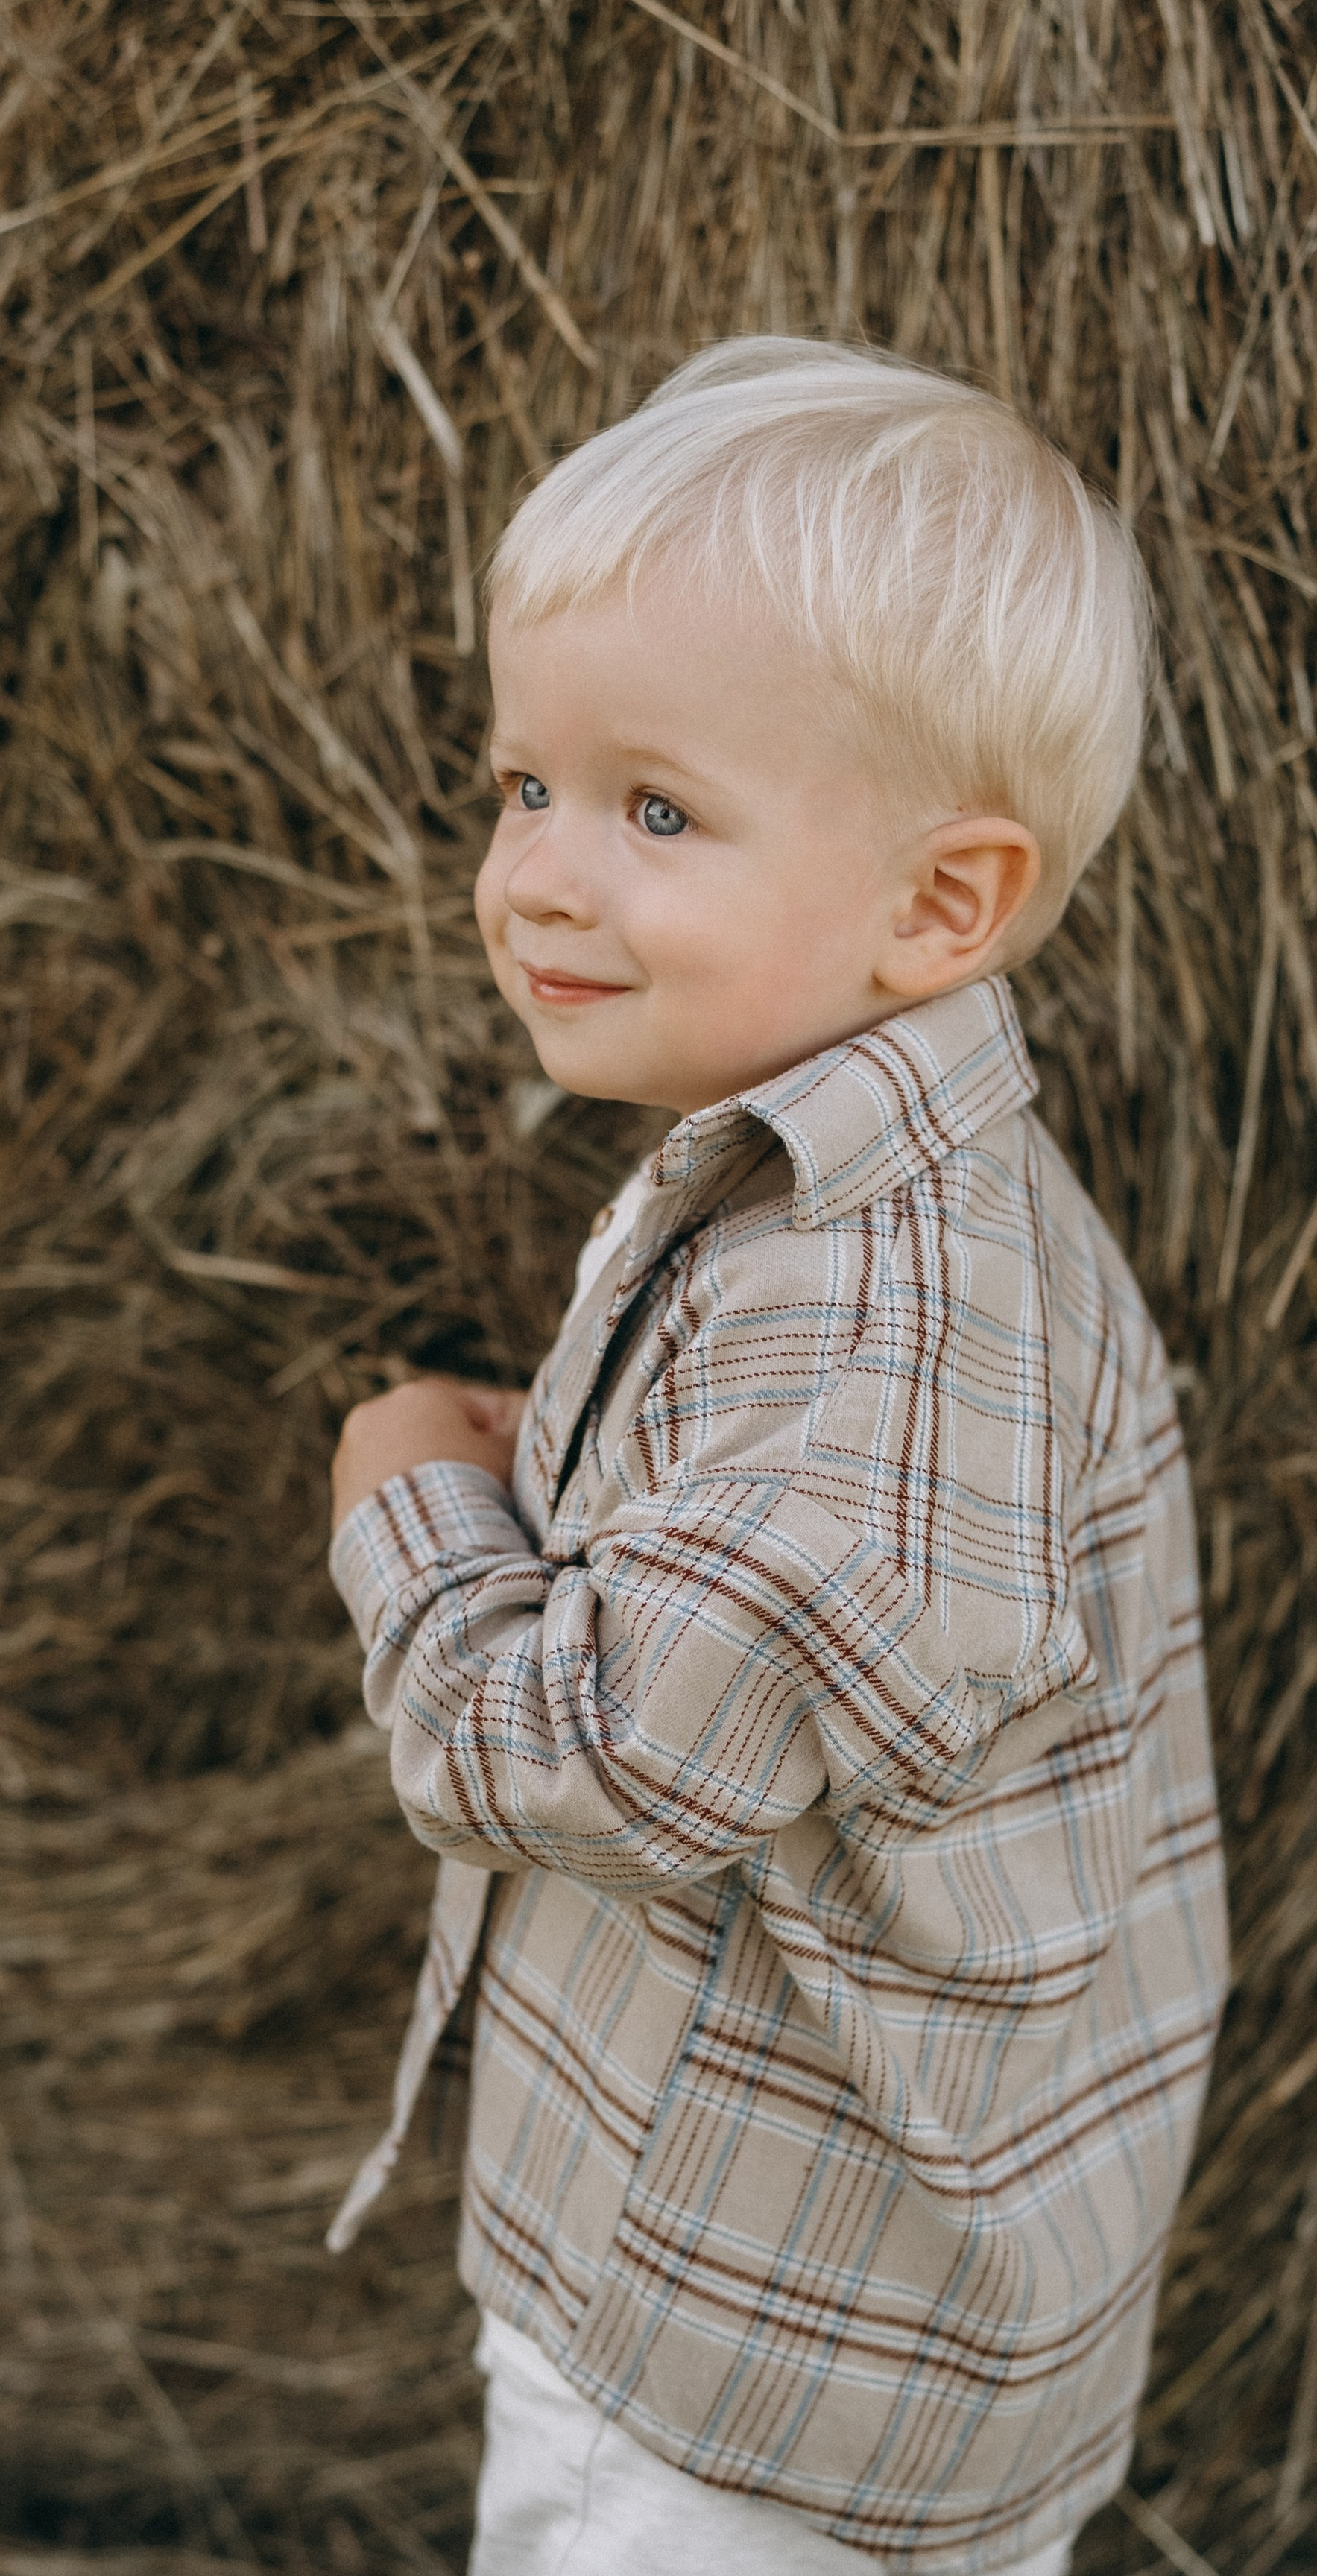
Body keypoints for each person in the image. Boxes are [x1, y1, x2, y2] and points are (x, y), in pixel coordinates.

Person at [322, 340, 1227, 2575]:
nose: (535, 875)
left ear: (942, 904)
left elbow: (586, 1765)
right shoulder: (880, 1204)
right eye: (524, 783)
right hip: (857, 2318)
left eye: (656, 813)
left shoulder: (879, 1342)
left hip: (740, 2403)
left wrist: (404, 1492)